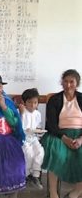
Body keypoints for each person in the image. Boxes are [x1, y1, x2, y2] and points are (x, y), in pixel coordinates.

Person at [41, 69, 82, 198]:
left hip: (80, 134)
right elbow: (51, 125)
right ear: (62, 82)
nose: (68, 85)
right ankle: (53, 193)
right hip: (59, 134)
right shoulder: (54, 99)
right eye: (65, 81)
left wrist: (80, 139)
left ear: (77, 83)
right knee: (56, 154)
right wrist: (64, 139)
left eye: (72, 82)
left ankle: (76, 191)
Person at [19, 88, 44, 189]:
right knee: (28, 153)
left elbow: (38, 126)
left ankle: (35, 175)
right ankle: (26, 174)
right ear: (24, 102)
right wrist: (21, 114)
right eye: (30, 102)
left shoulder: (38, 114)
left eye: (35, 102)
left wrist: (39, 131)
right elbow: (18, 126)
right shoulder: (21, 112)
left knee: (40, 151)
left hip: (34, 138)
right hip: (23, 139)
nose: (33, 105)